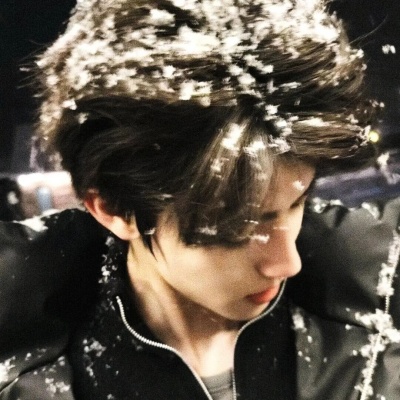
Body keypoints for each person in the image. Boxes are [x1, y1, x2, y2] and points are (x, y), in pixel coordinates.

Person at [0, 0, 381, 399]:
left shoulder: (383, 298)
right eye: (237, 227)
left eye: (298, 202)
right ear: (114, 208)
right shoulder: (27, 380)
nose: (288, 263)